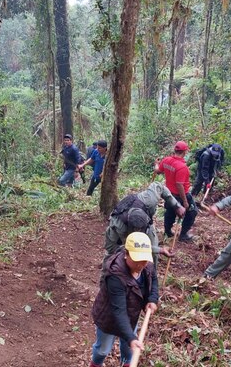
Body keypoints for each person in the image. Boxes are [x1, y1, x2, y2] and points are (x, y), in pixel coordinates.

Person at [90, 232, 160, 367]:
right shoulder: (115, 276)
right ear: (126, 254)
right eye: (137, 260)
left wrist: (152, 299)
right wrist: (131, 337)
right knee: (102, 350)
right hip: (109, 318)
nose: (141, 264)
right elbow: (119, 311)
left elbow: (154, 279)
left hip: (132, 315)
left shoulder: (147, 264)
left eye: (144, 260)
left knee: (129, 351)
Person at [103, 182, 185, 266]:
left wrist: (176, 205)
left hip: (145, 221)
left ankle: (151, 275)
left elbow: (160, 186)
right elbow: (134, 247)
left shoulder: (149, 200)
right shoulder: (120, 227)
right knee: (112, 254)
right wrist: (161, 250)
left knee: (153, 252)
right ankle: (107, 276)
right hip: (120, 226)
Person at [155, 141, 198, 242]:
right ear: (184, 152)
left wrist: (156, 164)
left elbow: (158, 171)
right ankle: (183, 235)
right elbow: (179, 185)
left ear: (175, 150)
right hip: (181, 195)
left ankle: (167, 231)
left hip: (169, 194)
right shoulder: (182, 167)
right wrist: (185, 201)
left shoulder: (166, 160)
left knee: (170, 212)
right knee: (192, 212)